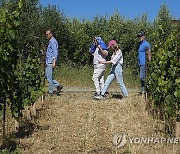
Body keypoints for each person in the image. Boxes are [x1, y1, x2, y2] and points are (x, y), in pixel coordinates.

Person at [45, 29, 63, 94]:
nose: (46, 35)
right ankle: (58, 85)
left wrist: (54, 61)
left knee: (49, 77)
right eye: (46, 34)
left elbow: (55, 52)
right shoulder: (51, 41)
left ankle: (51, 92)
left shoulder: (52, 41)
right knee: (48, 76)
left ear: (51, 34)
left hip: (50, 62)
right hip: (49, 61)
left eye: (47, 34)